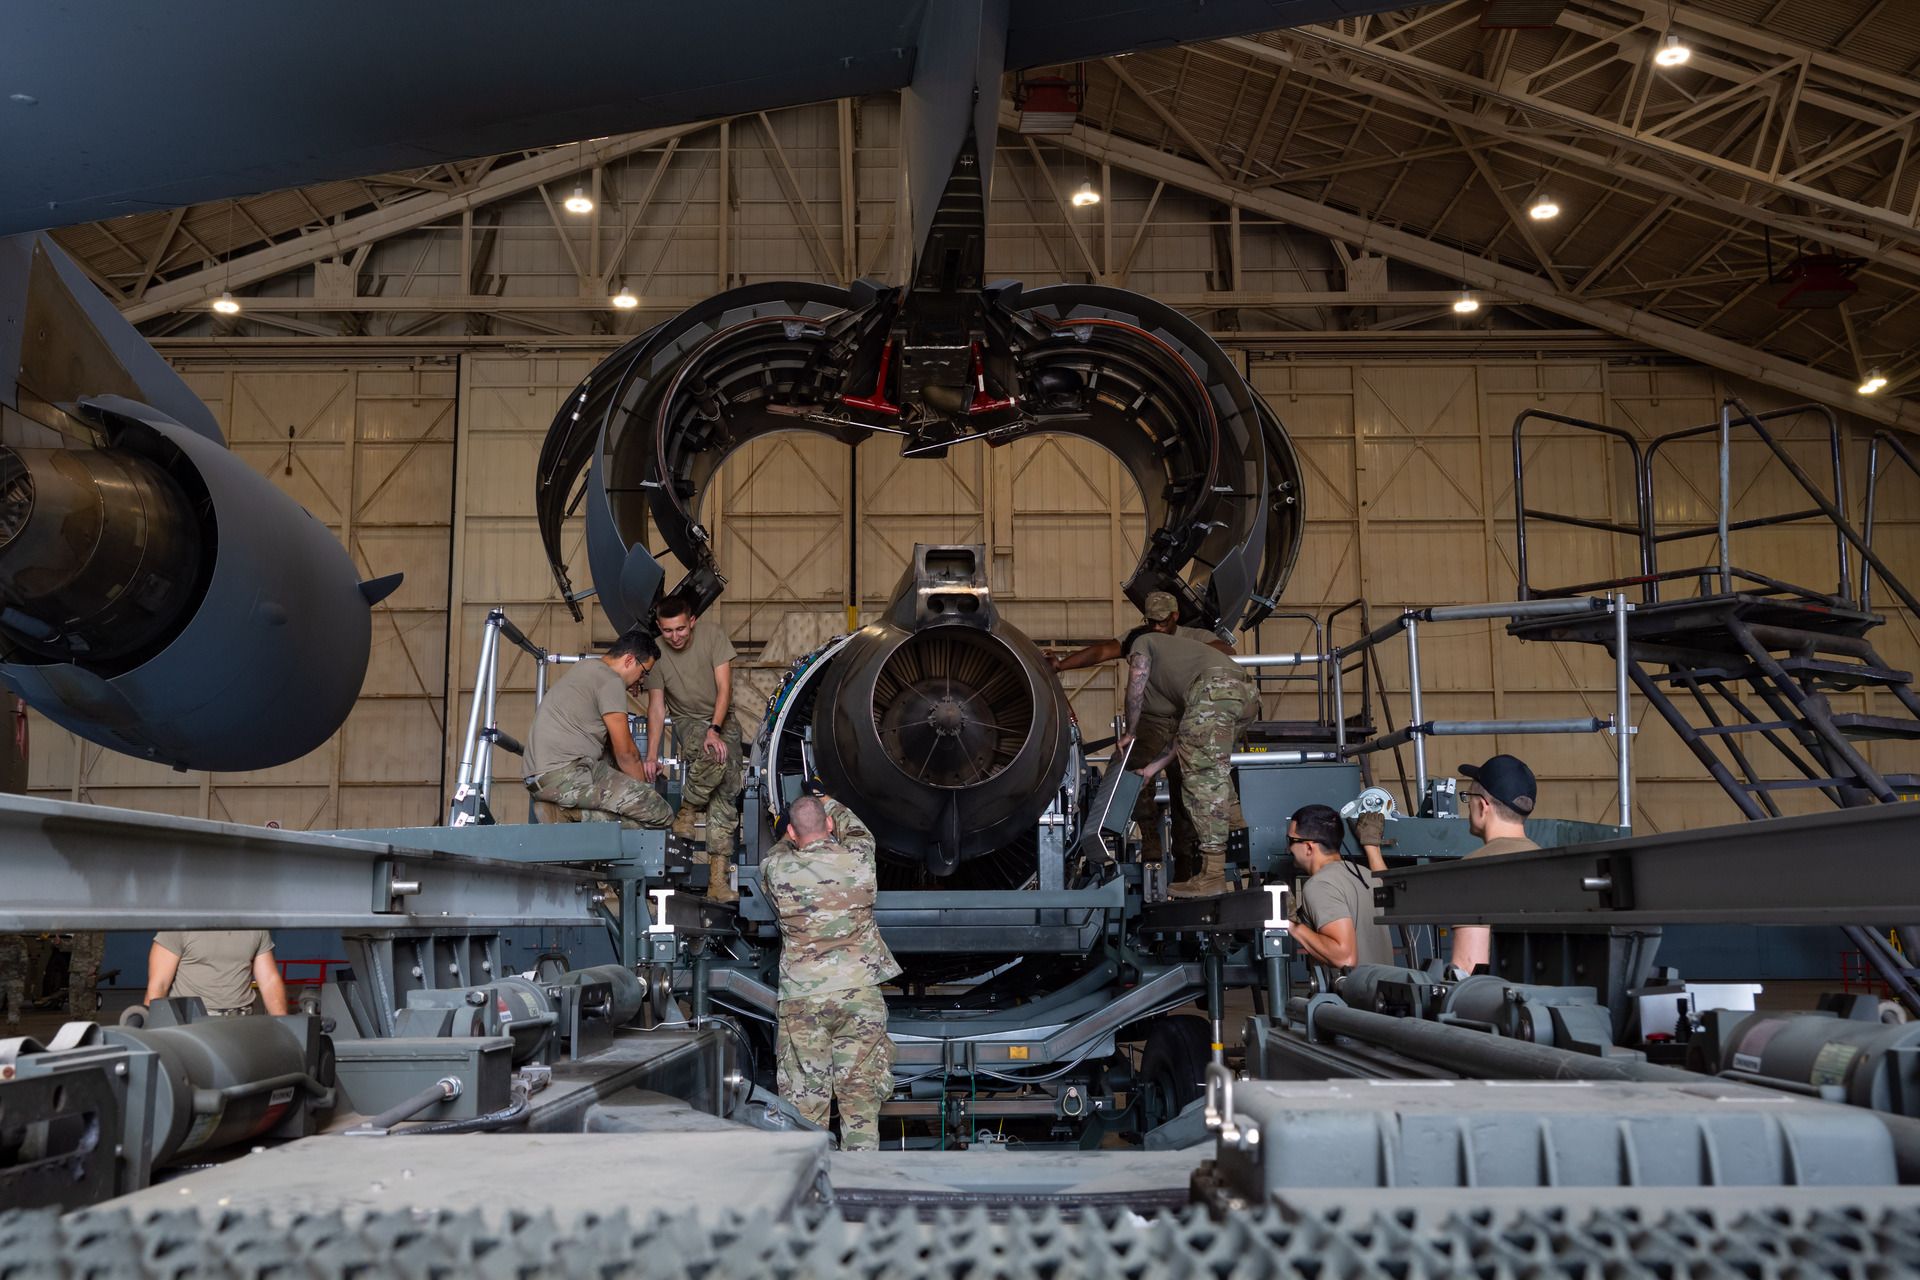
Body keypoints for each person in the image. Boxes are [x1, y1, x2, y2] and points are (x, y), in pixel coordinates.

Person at [1050, 591, 1237, 882]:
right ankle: (1150, 837)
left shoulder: (1194, 636)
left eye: (1163, 621)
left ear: (1175, 616)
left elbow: (1226, 651)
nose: (1158, 627)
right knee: (1132, 767)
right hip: (1152, 720)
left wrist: (1181, 651)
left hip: (1187, 716)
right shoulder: (1139, 638)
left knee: (1186, 782)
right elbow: (1102, 651)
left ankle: (1186, 856)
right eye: (1152, 622)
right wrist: (1062, 664)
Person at [760, 793, 900, 1151]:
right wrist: (831, 802)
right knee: (860, 1099)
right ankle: (862, 1175)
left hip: (803, 999)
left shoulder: (777, 869)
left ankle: (809, 1180)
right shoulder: (859, 859)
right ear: (830, 825)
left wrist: (788, 833)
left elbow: (776, 852)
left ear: (793, 832)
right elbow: (861, 833)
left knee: (805, 1105)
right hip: (859, 995)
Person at [1119, 612, 1259, 897]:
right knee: (1215, 774)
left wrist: (1130, 731)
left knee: (1199, 782)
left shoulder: (1143, 641)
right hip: (1246, 695)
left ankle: (1212, 875)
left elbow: (1136, 688)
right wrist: (1150, 770)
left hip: (1213, 691)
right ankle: (1247, 850)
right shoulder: (1183, 660)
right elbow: (1184, 740)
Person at [643, 593, 744, 904]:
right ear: (659, 627)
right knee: (714, 757)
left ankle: (717, 881)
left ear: (692, 621)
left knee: (726, 791)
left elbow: (725, 688)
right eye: (667, 631)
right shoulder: (656, 652)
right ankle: (687, 813)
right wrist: (651, 755)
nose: (674, 637)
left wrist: (715, 730)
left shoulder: (713, 636)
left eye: (680, 629)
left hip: (722, 719)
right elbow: (656, 707)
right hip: (688, 721)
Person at [524, 629, 672, 830]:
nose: (641, 680)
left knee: (620, 785)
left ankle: (566, 810)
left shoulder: (586, 667)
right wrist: (645, 792)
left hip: (543, 776)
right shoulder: (611, 681)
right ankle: (569, 814)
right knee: (659, 814)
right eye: (644, 672)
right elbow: (626, 754)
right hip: (565, 776)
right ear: (630, 660)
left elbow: (612, 749)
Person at [1449, 754, 1542, 975]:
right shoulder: (1547, 862)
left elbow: (1468, 965)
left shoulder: (1473, 868)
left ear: (1483, 806)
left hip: (1499, 993)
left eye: (1468, 798)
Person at [1286, 803, 1394, 981]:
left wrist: (1290, 924)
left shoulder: (1320, 885)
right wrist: (1372, 847)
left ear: (1309, 847)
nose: (1288, 848)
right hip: (1383, 991)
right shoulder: (1367, 875)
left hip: (1353, 995)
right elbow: (1389, 891)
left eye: (1290, 841)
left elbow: (1345, 958)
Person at [145, 930, 288, 1016]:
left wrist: (286, 1028)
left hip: (241, 1022)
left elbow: (269, 981)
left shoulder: (254, 927)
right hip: (192, 1023)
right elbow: (159, 985)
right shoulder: (179, 927)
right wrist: (149, 1036)